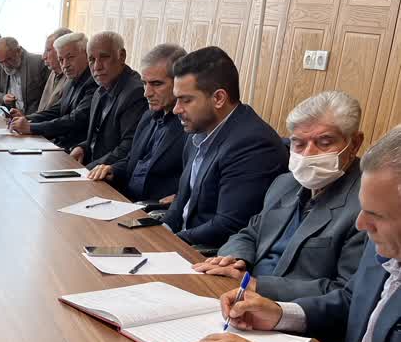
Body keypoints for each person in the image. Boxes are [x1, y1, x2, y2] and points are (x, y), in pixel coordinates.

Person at [181, 125, 401, 342]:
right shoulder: (388, 241)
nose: (361, 224)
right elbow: (353, 299)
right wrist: (280, 313)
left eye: (376, 215)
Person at [194, 91, 366, 301]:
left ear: (354, 144)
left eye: (324, 142)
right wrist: (236, 259)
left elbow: (347, 293)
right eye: (299, 143)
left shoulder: (367, 206)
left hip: (291, 310)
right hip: (237, 292)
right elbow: (250, 233)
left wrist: (258, 286)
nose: (308, 154)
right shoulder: (284, 184)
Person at [161, 46, 287, 247]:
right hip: (182, 243)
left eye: (186, 100)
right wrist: (161, 230)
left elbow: (229, 225)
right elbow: (181, 201)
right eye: (177, 99)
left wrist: (170, 243)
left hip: (206, 254)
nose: (176, 109)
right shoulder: (198, 130)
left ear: (219, 98)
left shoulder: (253, 144)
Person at [88, 43, 187, 202]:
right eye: (144, 83)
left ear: (179, 82)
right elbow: (134, 161)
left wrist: (180, 198)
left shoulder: (190, 125)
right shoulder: (148, 116)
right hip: (125, 200)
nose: (147, 93)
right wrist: (112, 169)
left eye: (156, 84)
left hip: (154, 209)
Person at [71, 31, 147, 168]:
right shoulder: (100, 90)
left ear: (121, 56)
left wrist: (86, 171)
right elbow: (100, 138)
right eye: (91, 60)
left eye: (104, 57)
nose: (97, 67)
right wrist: (83, 147)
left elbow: (127, 148)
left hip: (112, 175)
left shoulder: (135, 92)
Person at [9, 31, 95, 150]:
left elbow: (75, 120)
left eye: (70, 57)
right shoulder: (72, 79)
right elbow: (57, 110)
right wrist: (27, 118)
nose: (65, 65)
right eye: (61, 60)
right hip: (60, 143)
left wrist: (31, 127)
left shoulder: (93, 82)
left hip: (76, 149)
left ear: (87, 54)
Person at [0, 36, 48, 112]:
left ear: (19, 51)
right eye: (1, 62)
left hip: (32, 116)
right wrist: (3, 97)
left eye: (9, 59)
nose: (6, 65)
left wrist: (30, 117)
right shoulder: (0, 66)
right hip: (9, 113)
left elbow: (49, 97)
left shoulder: (38, 63)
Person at [37, 27, 72, 113]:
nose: (43, 56)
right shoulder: (54, 71)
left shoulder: (72, 77)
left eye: (48, 50)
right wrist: (27, 118)